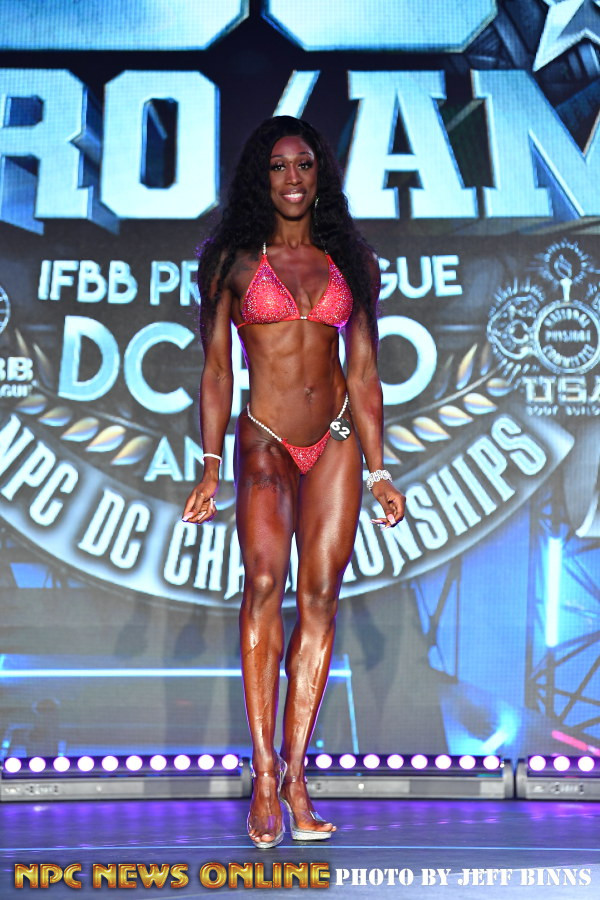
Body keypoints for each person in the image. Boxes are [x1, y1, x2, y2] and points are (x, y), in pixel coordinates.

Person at [182, 116, 405, 849]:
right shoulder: (231, 262)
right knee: (262, 586)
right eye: (278, 166)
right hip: (265, 441)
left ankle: (298, 776)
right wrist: (210, 465)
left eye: (303, 164)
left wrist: (380, 470)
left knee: (320, 599)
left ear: (320, 173)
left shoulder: (351, 260)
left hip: (335, 437)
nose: (292, 178)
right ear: (262, 176)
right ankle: (264, 777)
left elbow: (363, 372)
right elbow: (218, 370)